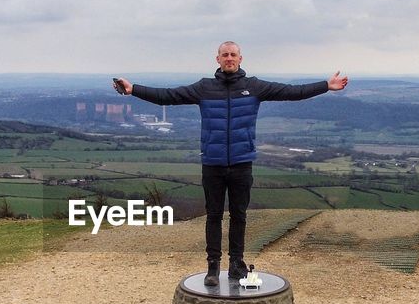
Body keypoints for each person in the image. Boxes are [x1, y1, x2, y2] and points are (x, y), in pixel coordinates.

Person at [113, 41, 348, 286]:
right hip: (213, 163)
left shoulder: (254, 86)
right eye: (224, 55)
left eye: (233, 54)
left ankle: (236, 264)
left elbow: (291, 92)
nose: (229, 58)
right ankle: (213, 267)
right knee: (213, 215)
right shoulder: (204, 88)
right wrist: (133, 90)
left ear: (240, 58)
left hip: (241, 162)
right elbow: (168, 96)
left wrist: (325, 86)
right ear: (217, 59)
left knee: (239, 215)